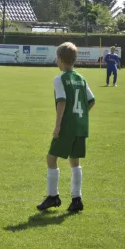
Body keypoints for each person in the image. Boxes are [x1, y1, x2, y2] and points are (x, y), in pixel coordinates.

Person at [37, 42, 95, 213]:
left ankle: (53, 196)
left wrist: (57, 126)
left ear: (61, 59)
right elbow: (91, 101)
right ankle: (77, 199)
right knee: (75, 160)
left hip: (67, 126)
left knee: (51, 158)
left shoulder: (60, 78)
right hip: (81, 125)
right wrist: (80, 117)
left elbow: (61, 101)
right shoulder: (81, 78)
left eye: (57, 58)